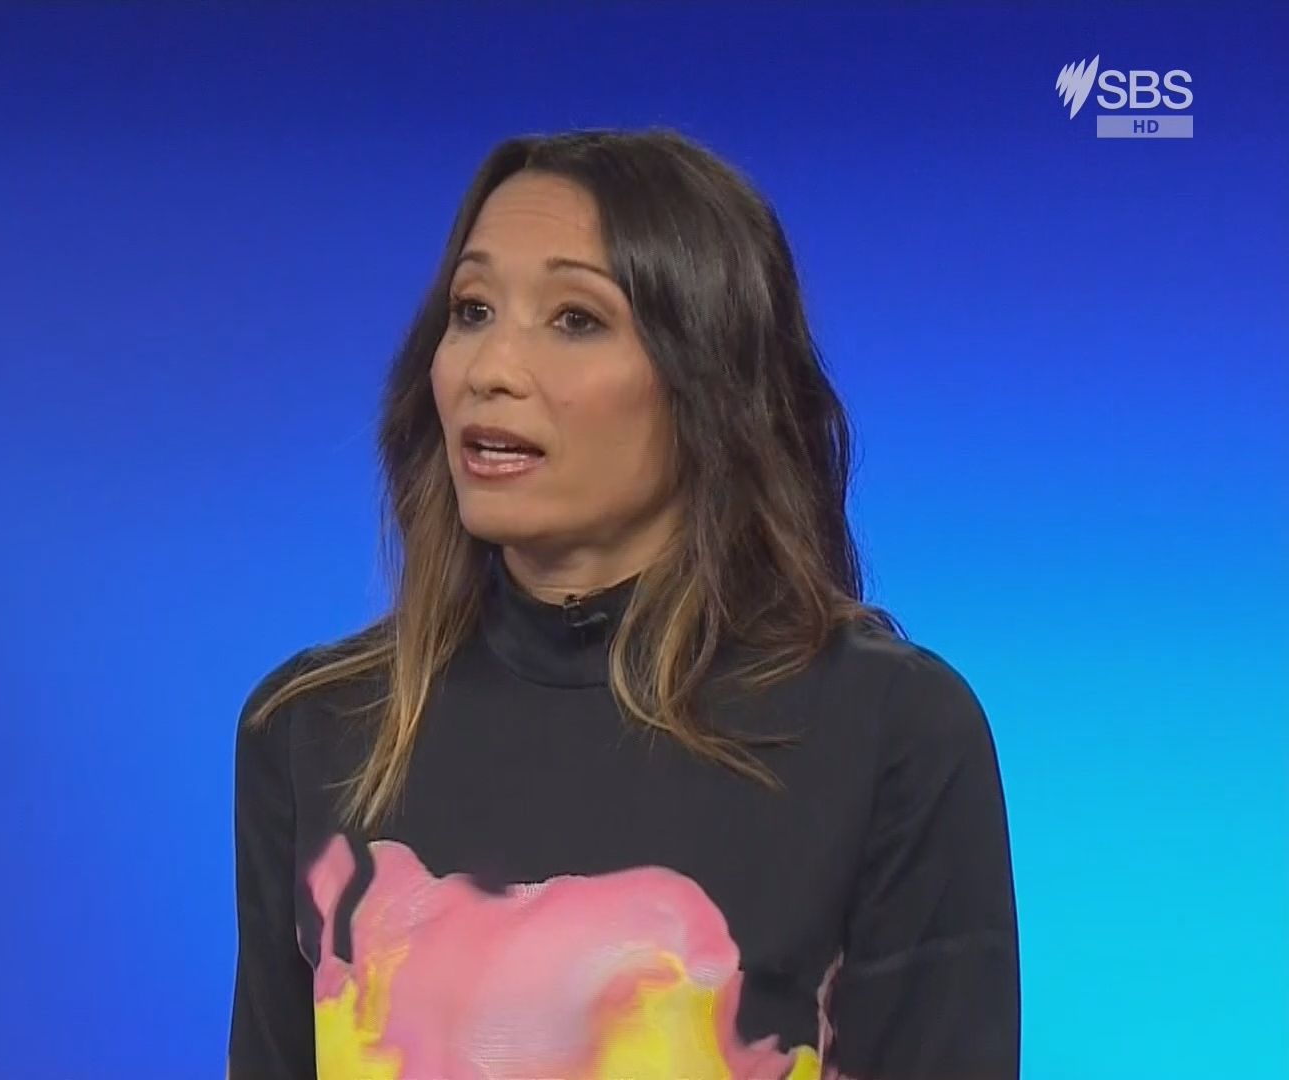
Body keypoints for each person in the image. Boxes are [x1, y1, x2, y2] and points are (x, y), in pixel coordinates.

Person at [228, 128, 1020, 1080]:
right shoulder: (313, 732)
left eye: (575, 319)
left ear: (707, 381)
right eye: (472, 310)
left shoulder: (889, 732)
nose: (490, 369)